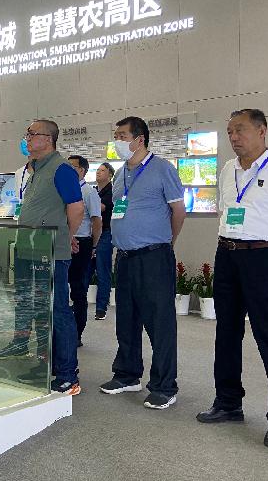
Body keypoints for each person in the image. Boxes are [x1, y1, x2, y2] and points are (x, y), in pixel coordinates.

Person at [196, 109, 268, 450]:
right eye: (230, 131)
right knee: (226, 333)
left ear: (262, 131)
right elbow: (226, 210)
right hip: (228, 256)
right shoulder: (228, 169)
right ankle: (228, 402)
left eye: (240, 130)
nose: (233, 137)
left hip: (265, 259)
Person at [99, 117, 185, 412]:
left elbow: (178, 211)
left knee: (160, 323)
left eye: (122, 135)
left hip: (153, 256)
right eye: (116, 135)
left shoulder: (162, 169)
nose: (117, 141)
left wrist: (166, 242)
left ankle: (164, 386)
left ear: (140, 139)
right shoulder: (121, 174)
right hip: (124, 257)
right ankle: (127, 374)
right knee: (126, 318)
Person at [0, 119, 84, 396]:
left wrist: (66, 236)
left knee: (58, 311)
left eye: (32, 134)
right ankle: (47, 365)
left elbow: (76, 208)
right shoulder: (35, 170)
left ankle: (68, 374)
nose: (27, 138)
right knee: (39, 311)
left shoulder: (61, 169)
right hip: (29, 249)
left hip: (50, 253)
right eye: (27, 134)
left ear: (48, 139)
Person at [67, 155, 102, 346]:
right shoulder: (65, 190)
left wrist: (93, 246)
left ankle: (77, 333)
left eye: (72, 166)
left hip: (82, 243)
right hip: (64, 242)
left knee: (78, 289)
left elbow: (96, 222)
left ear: (82, 170)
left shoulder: (88, 192)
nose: (68, 169)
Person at [93, 162, 115, 320]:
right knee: (86, 270)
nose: (98, 172)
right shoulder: (94, 191)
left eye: (102, 170)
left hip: (105, 233)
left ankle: (101, 307)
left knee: (103, 271)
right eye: (97, 170)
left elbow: (101, 207)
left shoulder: (111, 190)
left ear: (110, 175)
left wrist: (86, 202)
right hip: (91, 233)